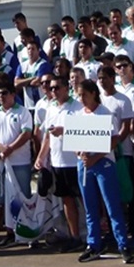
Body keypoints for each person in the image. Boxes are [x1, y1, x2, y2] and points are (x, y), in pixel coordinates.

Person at [73, 80, 134, 264]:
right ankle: (93, 244)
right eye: (79, 95)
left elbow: (114, 140)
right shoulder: (78, 115)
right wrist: (80, 153)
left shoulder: (104, 113)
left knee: (112, 206)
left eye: (84, 95)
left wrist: (96, 157)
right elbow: (74, 140)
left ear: (93, 93)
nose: (81, 99)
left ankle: (123, 244)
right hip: (84, 165)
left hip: (103, 163)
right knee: (90, 207)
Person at [34, 74, 84, 252]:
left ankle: (92, 235)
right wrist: (41, 157)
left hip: (76, 161)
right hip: (58, 161)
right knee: (67, 200)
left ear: (66, 88)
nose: (53, 91)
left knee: (84, 200)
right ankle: (75, 236)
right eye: (51, 88)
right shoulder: (51, 109)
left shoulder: (78, 107)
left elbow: (84, 131)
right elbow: (47, 136)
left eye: (56, 87)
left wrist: (65, 130)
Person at [0, 82, 33, 250]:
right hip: (3, 162)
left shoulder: (23, 112)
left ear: (13, 94)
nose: (1, 97)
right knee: (5, 199)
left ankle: (28, 232)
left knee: (23, 197)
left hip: (20, 162)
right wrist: (1, 148)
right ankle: (10, 233)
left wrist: (10, 148)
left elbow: (26, 134)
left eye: (4, 93)